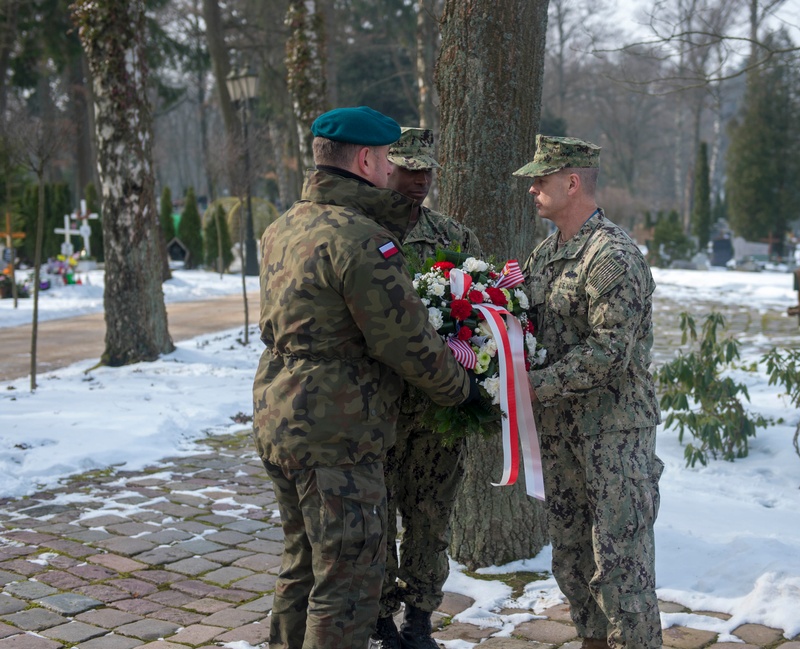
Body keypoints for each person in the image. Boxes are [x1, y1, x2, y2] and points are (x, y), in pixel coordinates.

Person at [253, 107, 475, 649]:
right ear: (368, 159)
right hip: (338, 433)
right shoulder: (363, 239)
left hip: (280, 416)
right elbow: (406, 342)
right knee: (348, 581)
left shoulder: (283, 227)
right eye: (386, 158)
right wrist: (461, 391)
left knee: (302, 566)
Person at [512, 135, 664, 649]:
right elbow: (531, 328)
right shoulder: (545, 253)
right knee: (572, 563)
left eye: (541, 179)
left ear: (571, 182)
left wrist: (532, 387)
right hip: (561, 433)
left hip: (614, 433)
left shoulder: (612, 255)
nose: (532, 188)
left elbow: (609, 353)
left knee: (621, 571)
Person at [371, 127, 484, 649]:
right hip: (379, 408)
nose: (418, 180)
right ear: (385, 169)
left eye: (426, 170)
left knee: (430, 517)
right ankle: (379, 620)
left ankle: (419, 619)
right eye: (407, 169)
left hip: (439, 413)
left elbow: (484, 317)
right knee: (377, 517)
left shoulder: (455, 238)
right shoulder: (362, 233)